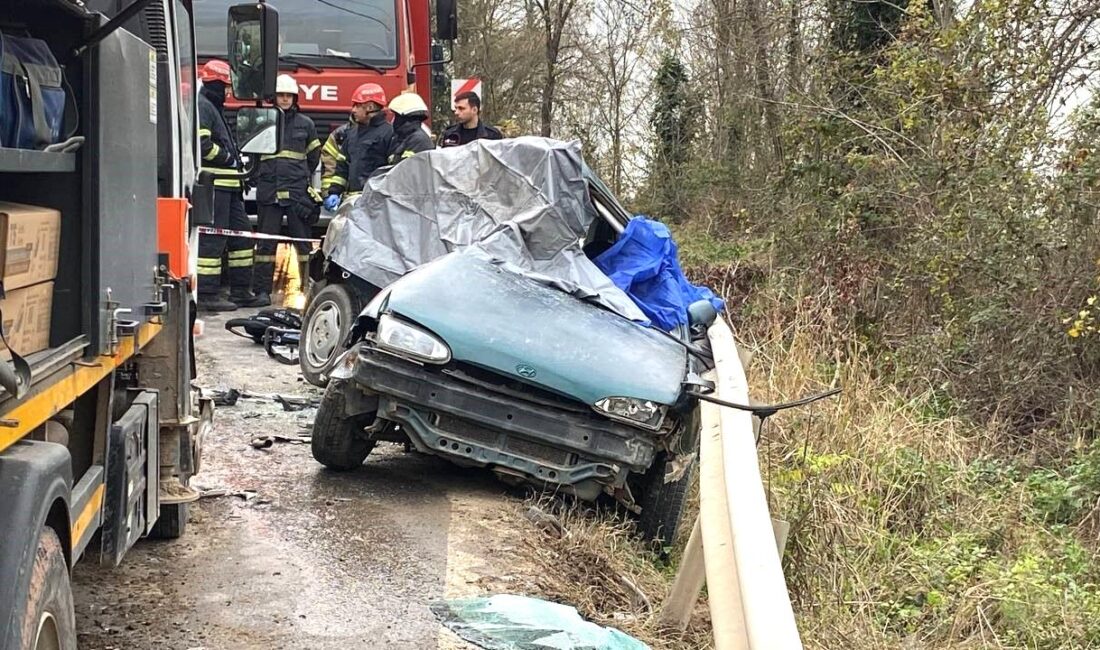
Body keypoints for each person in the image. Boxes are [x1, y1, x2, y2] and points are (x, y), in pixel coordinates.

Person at [196, 59, 260, 311]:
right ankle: (207, 294)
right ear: (214, 84)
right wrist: (227, 158)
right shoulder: (204, 107)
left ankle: (241, 290)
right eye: (224, 87)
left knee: (242, 237)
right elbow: (202, 145)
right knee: (214, 240)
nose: (226, 92)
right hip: (214, 185)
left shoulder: (213, 107)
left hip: (229, 185)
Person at [253, 74, 322, 306]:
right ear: (274, 97)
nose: (284, 99)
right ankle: (262, 292)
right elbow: (253, 154)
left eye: (288, 96)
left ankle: (307, 290)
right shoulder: (263, 121)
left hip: (296, 194)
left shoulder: (306, 124)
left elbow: (314, 157)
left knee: (303, 245)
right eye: (281, 95)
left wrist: (299, 177)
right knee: (265, 245)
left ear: (294, 98)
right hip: (269, 191)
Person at [323, 83, 392, 212]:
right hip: (352, 204)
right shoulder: (352, 134)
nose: (353, 110)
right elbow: (342, 168)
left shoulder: (389, 134)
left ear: (370, 107)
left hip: (377, 205)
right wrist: (334, 192)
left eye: (357, 105)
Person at [387, 93, 434, 164]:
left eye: (397, 116)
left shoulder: (419, 140)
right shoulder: (400, 138)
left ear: (407, 117)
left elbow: (406, 167)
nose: (395, 120)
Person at [320, 113, 353, 194]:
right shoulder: (340, 134)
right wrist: (328, 193)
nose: (354, 110)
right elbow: (329, 164)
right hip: (344, 196)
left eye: (359, 106)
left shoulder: (385, 134)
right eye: (355, 106)